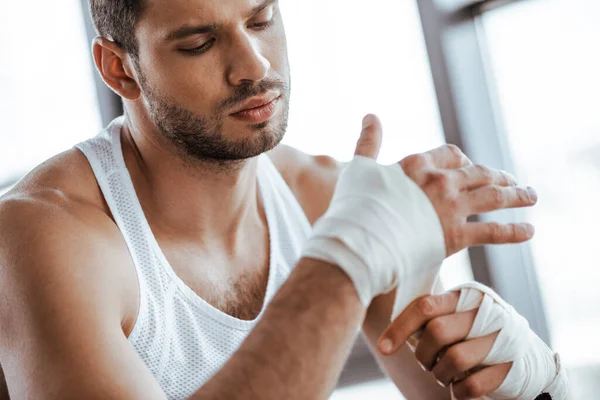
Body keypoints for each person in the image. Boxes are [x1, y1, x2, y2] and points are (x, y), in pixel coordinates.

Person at [0, 0, 567, 399]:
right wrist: (345, 262)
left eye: (261, 18)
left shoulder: (323, 197)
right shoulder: (45, 234)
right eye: (199, 42)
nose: (255, 66)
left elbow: (452, 388)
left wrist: (532, 380)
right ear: (120, 69)